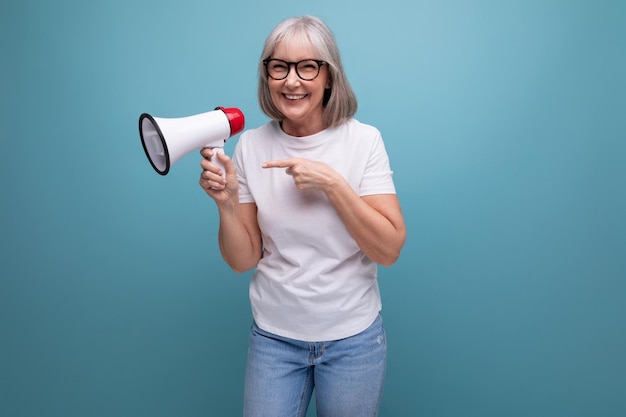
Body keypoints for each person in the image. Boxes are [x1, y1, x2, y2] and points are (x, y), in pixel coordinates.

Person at [199, 15, 406, 417]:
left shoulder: (363, 141)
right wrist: (226, 203)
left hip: (353, 341)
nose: (291, 81)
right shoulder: (252, 146)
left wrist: (334, 185)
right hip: (274, 341)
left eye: (307, 66)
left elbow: (389, 249)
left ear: (329, 76)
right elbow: (243, 261)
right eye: (279, 67)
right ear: (267, 75)